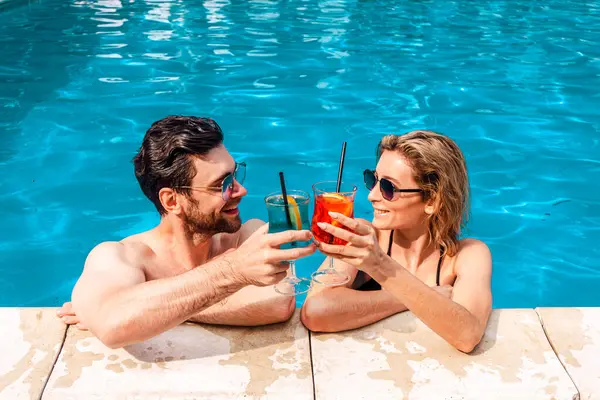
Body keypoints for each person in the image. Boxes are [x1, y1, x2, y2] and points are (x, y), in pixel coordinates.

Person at [57, 116, 316, 349]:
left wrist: (159, 311)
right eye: (222, 185)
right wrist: (233, 271)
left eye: (235, 176)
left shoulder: (247, 235)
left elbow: (277, 303)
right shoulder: (120, 256)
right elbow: (114, 326)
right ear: (172, 201)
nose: (240, 191)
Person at [300, 130, 492, 353]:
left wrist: (380, 266)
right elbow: (314, 312)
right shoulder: (366, 237)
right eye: (373, 180)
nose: (372, 195)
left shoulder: (467, 255)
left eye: (388, 187)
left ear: (432, 199)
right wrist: (408, 296)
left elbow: (467, 335)